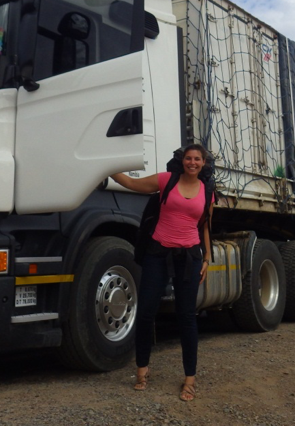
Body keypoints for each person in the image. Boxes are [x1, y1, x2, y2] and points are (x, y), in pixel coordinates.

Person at [110, 144, 215, 402]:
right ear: (182, 160)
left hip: (189, 256)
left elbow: (206, 227)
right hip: (158, 253)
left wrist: (207, 258)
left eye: (197, 159)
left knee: (186, 316)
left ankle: (190, 379)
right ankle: (142, 371)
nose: (192, 162)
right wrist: (108, 167)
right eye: (188, 158)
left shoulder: (208, 192)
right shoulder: (166, 180)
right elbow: (131, 184)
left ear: (203, 163)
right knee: (146, 311)